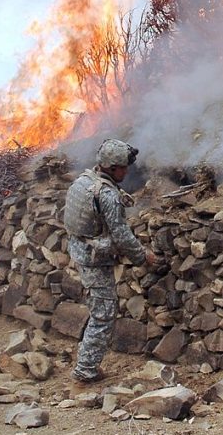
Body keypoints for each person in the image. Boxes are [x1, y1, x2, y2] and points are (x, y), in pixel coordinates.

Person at [63, 138, 159, 383]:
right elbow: (121, 234)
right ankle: (86, 370)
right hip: (94, 259)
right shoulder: (106, 194)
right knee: (104, 314)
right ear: (111, 167)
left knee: (100, 309)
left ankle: (86, 364)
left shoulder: (85, 181)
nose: (126, 172)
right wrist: (143, 257)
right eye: (122, 168)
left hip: (81, 250)